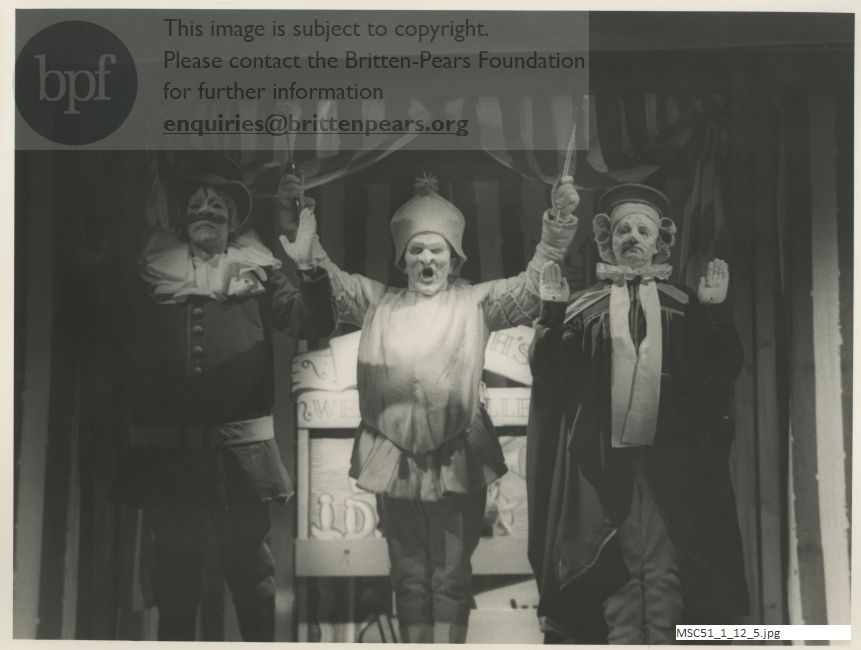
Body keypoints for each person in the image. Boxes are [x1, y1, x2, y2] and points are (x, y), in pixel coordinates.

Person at [279, 172, 579, 643]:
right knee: (410, 577)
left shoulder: (476, 302)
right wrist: (304, 232)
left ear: (454, 257)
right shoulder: (378, 302)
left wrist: (557, 227)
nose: (426, 258)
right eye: (416, 250)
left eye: (436, 250)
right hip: (392, 458)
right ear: (402, 259)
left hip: (458, 455)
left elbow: (528, 289)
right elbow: (331, 283)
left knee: (450, 578)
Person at [112, 154, 335, 641]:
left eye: (217, 204)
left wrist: (306, 263)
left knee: (252, 578)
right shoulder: (154, 269)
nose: (205, 210)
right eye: (196, 204)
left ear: (234, 218)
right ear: (181, 217)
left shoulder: (259, 269)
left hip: (242, 459)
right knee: (175, 586)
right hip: (171, 461)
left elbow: (310, 323)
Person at [527, 183, 748, 644]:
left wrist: (716, 318)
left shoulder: (684, 306)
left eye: (643, 230)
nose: (632, 237)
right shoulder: (583, 309)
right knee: (616, 577)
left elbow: (716, 378)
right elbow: (554, 380)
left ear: (658, 242)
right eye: (623, 229)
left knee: (669, 575)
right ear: (607, 239)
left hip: (670, 469)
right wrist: (551, 317)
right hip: (604, 471)